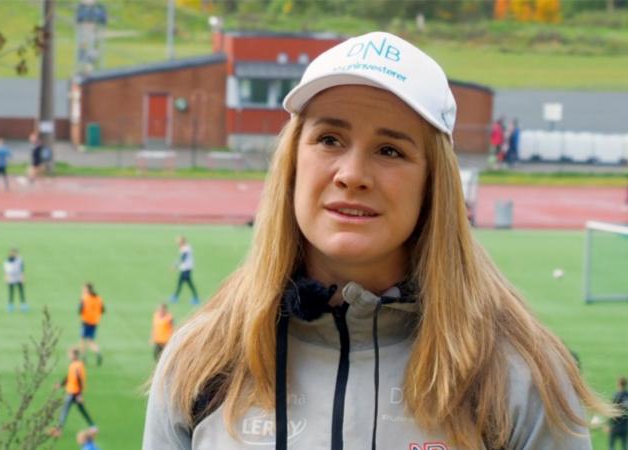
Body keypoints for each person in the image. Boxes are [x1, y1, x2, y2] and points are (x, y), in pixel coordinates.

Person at [143, 31, 609, 449]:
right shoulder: (202, 362)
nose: (352, 175)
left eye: (390, 150)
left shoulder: (517, 377)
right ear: (292, 164)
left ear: (434, 184)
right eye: (329, 139)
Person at [50, 348, 96, 437]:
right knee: (82, 410)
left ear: (74, 355)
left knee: (64, 410)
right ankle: (93, 427)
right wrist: (60, 384)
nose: (69, 356)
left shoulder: (77, 365)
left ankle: (58, 430)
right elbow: (69, 377)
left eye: (70, 354)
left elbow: (79, 379)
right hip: (73, 391)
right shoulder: (74, 364)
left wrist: (79, 395)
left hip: (74, 392)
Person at [79, 283, 105, 366]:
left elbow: (80, 309)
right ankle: (97, 352)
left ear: (87, 289)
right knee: (90, 341)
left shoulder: (84, 298)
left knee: (83, 340)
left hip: (86, 321)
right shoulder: (99, 298)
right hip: (95, 322)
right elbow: (103, 310)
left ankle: (83, 358)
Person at [169, 236, 199, 305]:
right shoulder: (185, 248)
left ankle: (196, 298)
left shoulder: (186, 249)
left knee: (188, 284)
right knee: (181, 283)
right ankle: (176, 296)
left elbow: (183, 259)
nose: (177, 243)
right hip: (185, 268)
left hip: (186, 269)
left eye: (178, 242)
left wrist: (175, 266)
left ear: (182, 242)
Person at [3, 248, 27, 312]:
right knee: (11, 292)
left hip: (18, 277)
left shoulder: (19, 260)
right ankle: (10, 305)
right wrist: (6, 278)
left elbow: (22, 269)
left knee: (21, 291)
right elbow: (5, 270)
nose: (13, 254)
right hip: (11, 278)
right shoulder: (7, 261)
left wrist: (22, 277)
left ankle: (23, 305)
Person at [611, 377, 628, 450]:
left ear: (618, 384)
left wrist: (608, 425)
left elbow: (612, 411)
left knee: (612, 446)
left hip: (616, 426)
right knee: (624, 446)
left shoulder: (616, 396)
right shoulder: (627, 395)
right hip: (625, 425)